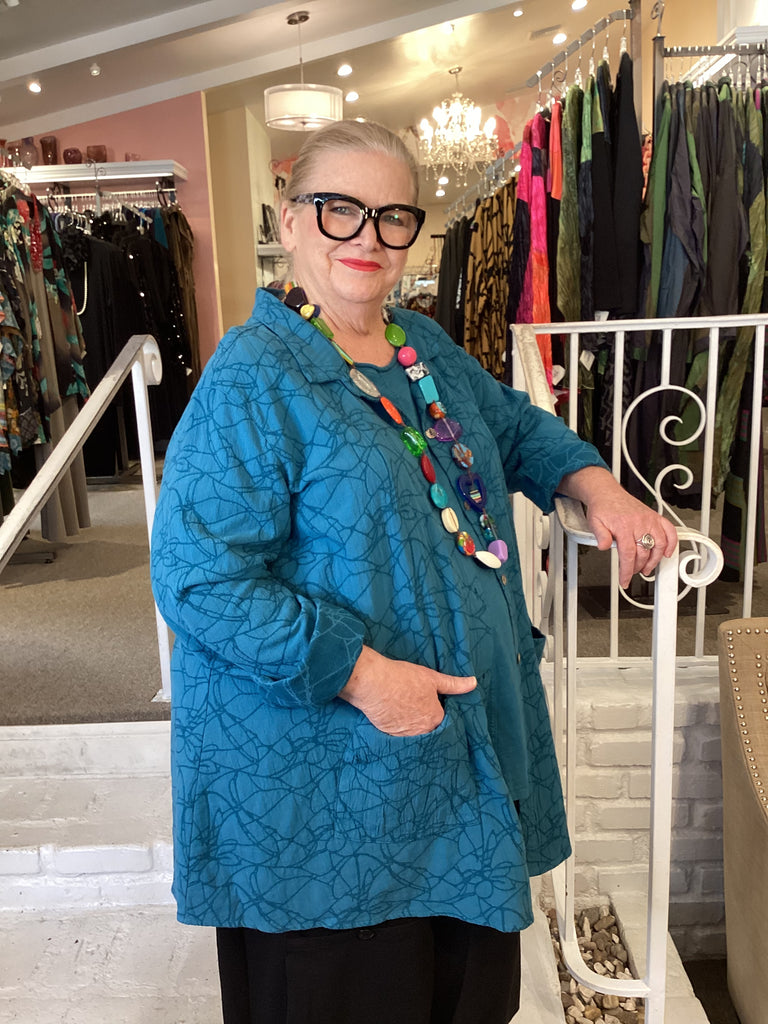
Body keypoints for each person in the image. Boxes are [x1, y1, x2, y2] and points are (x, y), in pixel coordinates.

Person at [150, 120, 677, 1024]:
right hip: (333, 788)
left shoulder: (419, 345)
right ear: (290, 219)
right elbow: (199, 579)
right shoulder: (253, 376)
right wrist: (362, 676)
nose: (367, 236)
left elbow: (514, 426)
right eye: (339, 209)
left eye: (392, 216)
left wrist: (599, 488)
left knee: (464, 998)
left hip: (459, 762)